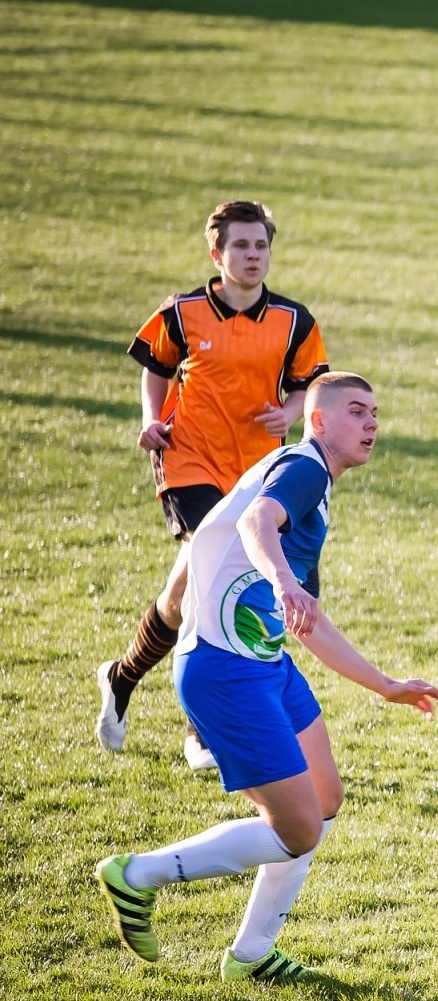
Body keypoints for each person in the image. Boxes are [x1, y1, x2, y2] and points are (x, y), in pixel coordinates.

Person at [94, 372, 438, 983]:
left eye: (375, 414)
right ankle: (138, 875)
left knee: (325, 799)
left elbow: (307, 624)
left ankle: (252, 954)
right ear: (318, 421)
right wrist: (284, 583)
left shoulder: (312, 488)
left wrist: (385, 684)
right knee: (298, 828)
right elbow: (256, 522)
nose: (371, 424)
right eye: (357, 412)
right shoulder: (304, 467)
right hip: (225, 672)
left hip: (266, 664)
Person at [96, 200, 329, 770]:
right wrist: (151, 419)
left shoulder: (294, 321)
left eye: (261, 246)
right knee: (209, 577)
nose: (253, 256)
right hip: (189, 459)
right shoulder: (182, 312)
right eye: (241, 246)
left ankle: (123, 676)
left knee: (188, 594)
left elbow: (311, 385)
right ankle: (202, 729)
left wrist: (291, 412)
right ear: (217, 253)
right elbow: (155, 365)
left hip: (256, 474)